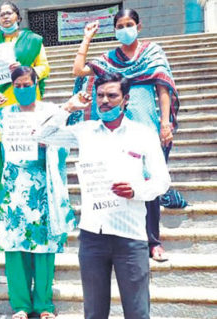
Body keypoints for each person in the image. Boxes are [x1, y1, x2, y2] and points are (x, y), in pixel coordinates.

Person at [36, 72, 171, 319]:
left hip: (130, 237)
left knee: (137, 311)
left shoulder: (143, 134)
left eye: (112, 95)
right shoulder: (84, 131)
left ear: (126, 99)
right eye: (100, 96)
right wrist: (68, 107)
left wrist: (136, 190)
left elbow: (162, 181)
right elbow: (41, 135)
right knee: (94, 312)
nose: (105, 101)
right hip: (92, 236)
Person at [0, 67, 77, 319]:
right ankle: (21, 305)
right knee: (15, 245)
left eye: (28, 85)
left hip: (43, 185)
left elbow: (68, 141)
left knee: (44, 245)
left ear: (36, 84)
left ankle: (44, 305)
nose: (23, 89)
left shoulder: (50, 111)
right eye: (18, 85)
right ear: (13, 87)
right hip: (14, 187)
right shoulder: (6, 114)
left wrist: (49, 143)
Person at [72, 9, 180, 262]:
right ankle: (118, 238)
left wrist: (165, 123)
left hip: (146, 121)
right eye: (119, 26)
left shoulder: (152, 51)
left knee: (149, 183)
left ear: (139, 26)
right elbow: (78, 70)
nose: (125, 29)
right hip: (116, 125)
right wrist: (87, 37)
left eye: (129, 24)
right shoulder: (109, 58)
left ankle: (153, 241)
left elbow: (163, 89)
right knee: (118, 181)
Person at [0, 1, 50, 210]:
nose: (5, 17)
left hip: (24, 101)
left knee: (23, 149)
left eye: (9, 13)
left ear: (18, 17)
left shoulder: (33, 41)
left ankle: (27, 193)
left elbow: (44, 67)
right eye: (2, 15)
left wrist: (26, 70)